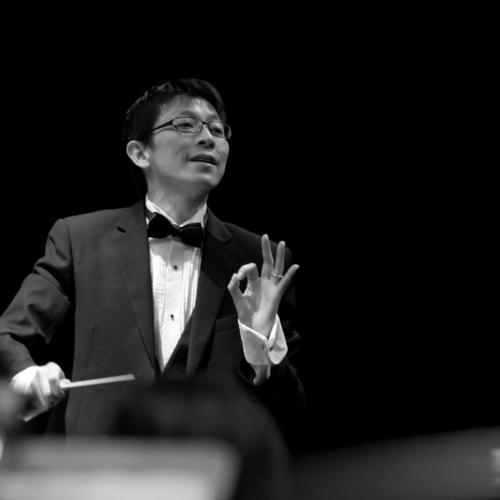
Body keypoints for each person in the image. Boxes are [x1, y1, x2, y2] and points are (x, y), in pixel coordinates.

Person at [0, 78, 304, 442]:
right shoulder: (80, 240)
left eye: (217, 129)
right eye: (186, 124)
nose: (208, 138)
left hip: (209, 467)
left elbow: (291, 413)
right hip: (98, 466)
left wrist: (261, 347)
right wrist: (29, 378)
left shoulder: (258, 260)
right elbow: (7, 335)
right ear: (140, 152)